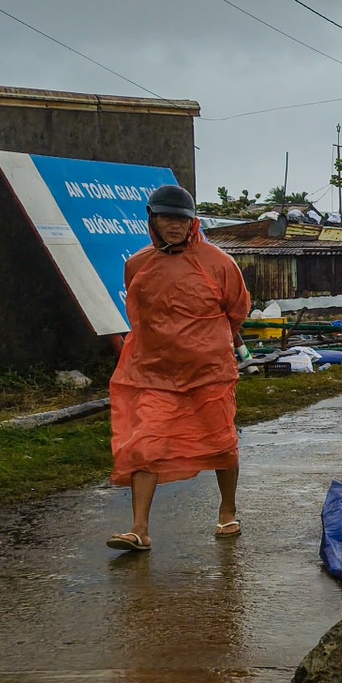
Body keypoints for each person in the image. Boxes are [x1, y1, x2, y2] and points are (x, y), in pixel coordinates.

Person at [106, 184, 251, 552]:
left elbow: (236, 310)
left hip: (210, 371)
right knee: (144, 444)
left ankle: (227, 511)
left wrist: (209, 343)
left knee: (222, 442)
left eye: (181, 219)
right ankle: (139, 528)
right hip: (154, 373)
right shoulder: (137, 265)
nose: (174, 226)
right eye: (167, 218)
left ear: (192, 222)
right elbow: (140, 314)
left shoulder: (219, 263)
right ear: (152, 220)